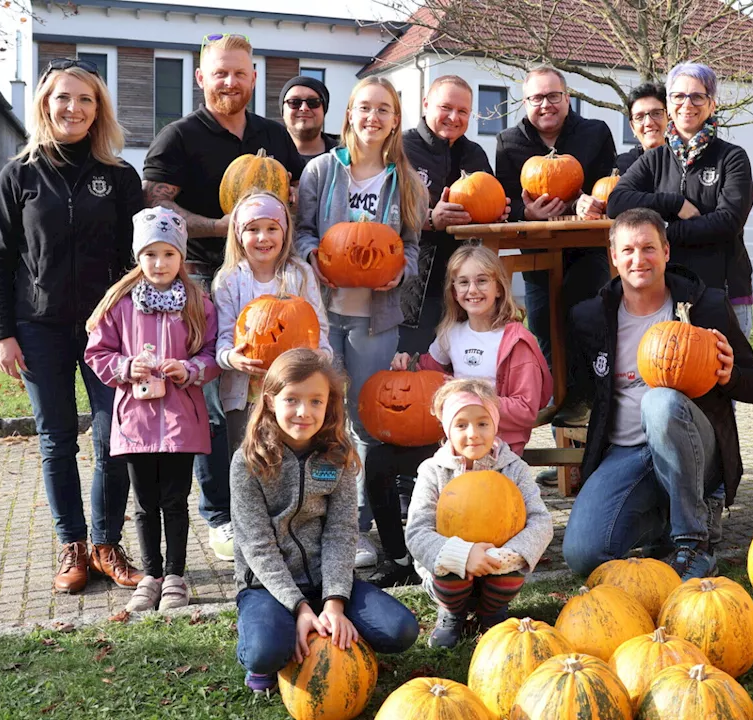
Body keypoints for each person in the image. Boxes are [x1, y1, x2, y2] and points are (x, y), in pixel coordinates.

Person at [142, 33, 306, 562]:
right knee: (214, 404)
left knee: (269, 403)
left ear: (254, 77)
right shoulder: (178, 138)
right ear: (201, 78)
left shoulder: (274, 137)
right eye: (220, 73)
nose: (230, 82)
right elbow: (158, 211)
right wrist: (220, 226)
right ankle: (220, 516)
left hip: (267, 281)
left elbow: (291, 202)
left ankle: (275, 507)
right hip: (200, 283)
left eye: (239, 72)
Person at [0, 57, 144, 594]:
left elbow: (138, 259)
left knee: (113, 437)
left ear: (98, 110)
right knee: (55, 440)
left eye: (85, 100)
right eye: (62, 98)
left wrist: (137, 325)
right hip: (38, 328)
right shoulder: (19, 175)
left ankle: (106, 544)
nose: (73, 108)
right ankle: (72, 544)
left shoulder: (120, 177)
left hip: (109, 331)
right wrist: (1, 333)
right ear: (45, 105)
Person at [562, 208, 753, 581]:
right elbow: (584, 391)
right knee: (584, 555)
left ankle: (695, 541)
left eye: (648, 248)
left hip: (694, 450)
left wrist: (728, 376)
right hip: (626, 453)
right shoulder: (591, 317)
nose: (638, 259)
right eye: (627, 250)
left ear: (667, 251)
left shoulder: (705, 307)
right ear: (613, 257)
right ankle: (662, 525)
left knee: (659, 400)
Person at [230, 349, 419, 692]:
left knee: (400, 629)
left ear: (329, 404)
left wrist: (334, 601)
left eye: (316, 401)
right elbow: (257, 546)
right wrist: (298, 607)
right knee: (265, 652)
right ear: (271, 401)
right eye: (292, 400)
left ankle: (331, 630)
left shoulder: (338, 455)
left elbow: (341, 533)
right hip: (267, 587)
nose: (304, 412)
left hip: (324, 580)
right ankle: (282, 636)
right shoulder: (248, 463)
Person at [294, 76, 424, 569]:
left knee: (369, 425)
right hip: (324, 316)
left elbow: (412, 245)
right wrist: (315, 257)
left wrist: (400, 271)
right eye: (364, 108)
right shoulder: (322, 171)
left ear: (395, 120)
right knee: (325, 423)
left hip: (376, 319)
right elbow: (302, 232)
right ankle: (319, 518)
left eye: (383, 110)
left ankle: (360, 525)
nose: (373, 117)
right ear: (349, 114)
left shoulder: (406, 180)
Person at [367, 245, 552, 588]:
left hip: (496, 453)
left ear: (499, 286)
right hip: (453, 449)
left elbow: (526, 410)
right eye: (462, 282)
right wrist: (408, 367)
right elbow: (429, 377)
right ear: (453, 291)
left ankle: (489, 563)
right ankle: (399, 558)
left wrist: (471, 400)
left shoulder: (515, 341)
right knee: (379, 460)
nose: (473, 290)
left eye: (482, 281)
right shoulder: (451, 333)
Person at [84, 207, 221, 612]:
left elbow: (212, 353)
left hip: (181, 422)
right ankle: (151, 575)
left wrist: (190, 368)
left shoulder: (199, 302)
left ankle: (176, 576)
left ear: (181, 257)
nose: (159, 264)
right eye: (150, 255)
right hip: (135, 423)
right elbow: (98, 353)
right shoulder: (120, 304)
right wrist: (126, 366)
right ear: (137, 257)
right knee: (144, 505)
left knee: (175, 501)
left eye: (168, 254)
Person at [495, 65, 616, 420]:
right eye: (536, 98)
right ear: (525, 102)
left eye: (553, 96)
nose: (545, 104)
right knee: (545, 334)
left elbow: (609, 186)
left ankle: (587, 417)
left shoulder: (595, 133)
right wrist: (526, 211)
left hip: (586, 251)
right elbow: (502, 199)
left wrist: (589, 201)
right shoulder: (509, 141)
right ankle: (562, 427)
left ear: (566, 98)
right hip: (538, 252)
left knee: (584, 322)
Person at [606, 63, 753, 338]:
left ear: (711, 104)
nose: (687, 104)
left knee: (727, 375)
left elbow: (727, 222)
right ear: (669, 103)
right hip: (669, 294)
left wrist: (665, 235)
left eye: (697, 96)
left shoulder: (732, 158)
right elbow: (616, 202)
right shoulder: (654, 159)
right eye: (678, 96)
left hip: (723, 292)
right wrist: (673, 203)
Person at [405, 378, 553, 648]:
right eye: (461, 425)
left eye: (482, 423)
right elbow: (417, 530)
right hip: (448, 567)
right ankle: (452, 614)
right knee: (450, 569)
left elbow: (540, 521)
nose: (473, 433)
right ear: (448, 429)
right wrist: (461, 555)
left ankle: (492, 614)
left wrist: (511, 553)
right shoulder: (433, 470)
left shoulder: (514, 468)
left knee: (510, 572)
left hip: (500, 561)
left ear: (495, 425)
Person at [213, 191, 332, 451]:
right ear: (239, 235)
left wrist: (320, 356)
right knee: (248, 458)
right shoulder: (228, 280)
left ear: (285, 232)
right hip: (246, 394)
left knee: (289, 461)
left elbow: (318, 327)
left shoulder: (300, 274)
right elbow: (222, 335)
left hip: (294, 389)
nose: (263, 237)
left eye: (271, 228)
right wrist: (230, 358)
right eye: (253, 229)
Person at [398, 74, 503, 355]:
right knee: (411, 356)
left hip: (464, 278)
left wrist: (500, 212)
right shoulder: (400, 148)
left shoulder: (475, 154)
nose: (453, 117)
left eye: (463, 111)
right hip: (415, 276)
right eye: (446, 107)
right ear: (426, 104)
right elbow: (384, 212)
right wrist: (430, 218)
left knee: (457, 354)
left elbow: (490, 203)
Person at [280, 76, 338, 161]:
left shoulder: (346, 157)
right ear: (283, 111)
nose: (304, 108)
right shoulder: (268, 153)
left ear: (324, 110)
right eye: (294, 102)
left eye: (313, 102)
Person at [617, 83, 668, 174]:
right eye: (639, 117)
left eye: (656, 113)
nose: (648, 123)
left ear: (669, 117)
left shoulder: (683, 162)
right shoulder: (624, 166)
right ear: (632, 127)